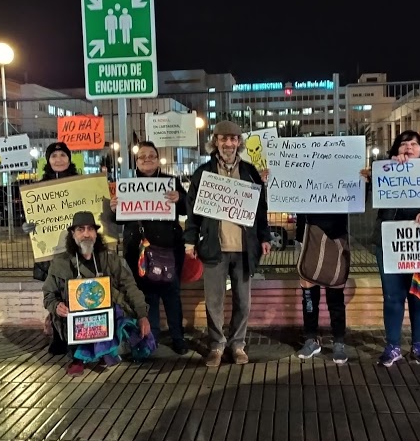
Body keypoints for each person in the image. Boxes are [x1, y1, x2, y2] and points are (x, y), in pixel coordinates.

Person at [183, 120, 272, 367]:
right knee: (214, 302)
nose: (228, 144)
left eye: (233, 139)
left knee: (243, 301)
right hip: (214, 248)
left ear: (239, 143)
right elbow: (193, 212)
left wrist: (264, 236)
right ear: (215, 141)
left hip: (244, 249)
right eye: (223, 139)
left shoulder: (250, 172)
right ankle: (217, 345)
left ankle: (238, 344)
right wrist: (190, 240)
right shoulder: (203, 173)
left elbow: (261, 209)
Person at [365, 130, 420, 367]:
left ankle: (418, 346)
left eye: (414, 144)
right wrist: (385, 168)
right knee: (393, 297)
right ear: (396, 150)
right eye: (403, 144)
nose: (408, 147)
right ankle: (392, 346)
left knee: (419, 296)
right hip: (390, 243)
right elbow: (363, 192)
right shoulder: (385, 170)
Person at [42, 211, 153, 376]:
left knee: (118, 309)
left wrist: (143, 315)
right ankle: (77, 359)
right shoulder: (60, 264)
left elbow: (130, 286)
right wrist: (57, 306)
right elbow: (48, 295)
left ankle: (104, 351)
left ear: (96, 233)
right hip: (75, 318)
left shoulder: (109, 259)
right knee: (72, 316)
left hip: (104, 315)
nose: (86, 234)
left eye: (90, 229)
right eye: (81, 229)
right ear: (73, 234)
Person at [108, 141, 189, 355]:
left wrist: (180, 198)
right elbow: (118, 220)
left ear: (158, 159)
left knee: (172, 295)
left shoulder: (171, 182)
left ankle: (178, 337)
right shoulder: (126, 185)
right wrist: (114, 208)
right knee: (146, 296)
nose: (147, 159)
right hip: (138, 250)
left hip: (169, 249)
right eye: (142, 156)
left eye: (151, 155)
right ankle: (150, 337)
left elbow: (186, 209)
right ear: (136, 161)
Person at [28, 142, 80, 355]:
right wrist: (28, 226)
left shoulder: (80, 183)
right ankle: (59, 336)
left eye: (62, 155)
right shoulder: (39, 188)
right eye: (54, 155)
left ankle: (78, 336)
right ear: (47, 160)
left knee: (76, 291)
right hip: (51, 250)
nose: (59, 159)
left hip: (75, 248)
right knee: (56, 292)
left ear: (69, 158)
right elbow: (33, 216)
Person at [294, 213, 350, 364]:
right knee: (309, 297)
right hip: (308, 233)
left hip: (336, 235)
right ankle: (310, 339)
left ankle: (338, 342)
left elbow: (359, 195)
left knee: (336, 297)